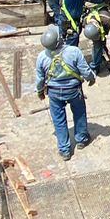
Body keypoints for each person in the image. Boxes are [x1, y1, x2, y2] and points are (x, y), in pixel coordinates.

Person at [34, 25, 96, 160]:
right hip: (74, 90)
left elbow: (40, 79)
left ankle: (65, 150)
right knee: (79, 113)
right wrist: (91, 79)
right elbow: (85, 70)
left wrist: (40, 92)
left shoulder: (42, 57)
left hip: (54, 93)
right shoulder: (73, 51)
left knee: (59, 120)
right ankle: (81, 139)